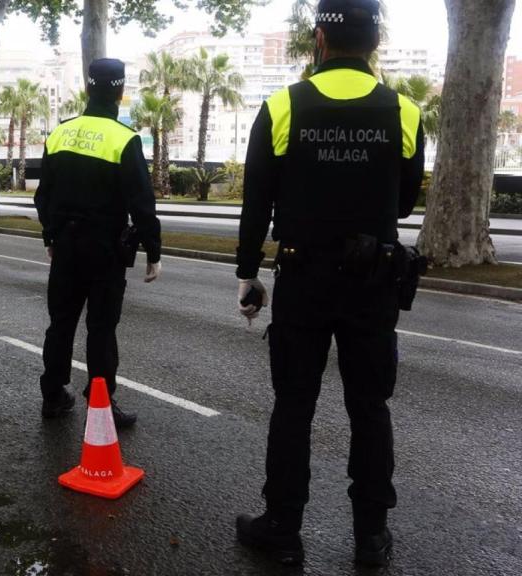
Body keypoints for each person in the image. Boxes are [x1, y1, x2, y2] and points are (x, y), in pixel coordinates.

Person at [233, 0, 426, 568]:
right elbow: (404, 199)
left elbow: (255, 203)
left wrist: (248, 273)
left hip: (303, 281)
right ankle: (371, 535)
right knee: (370, 407)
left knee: (293, 404)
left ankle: (283, 529)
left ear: (319, 37)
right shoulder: (404, 111)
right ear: (375, 41)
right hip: (373, 283)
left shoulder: (282, 105)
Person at [34, 58, 163, 429]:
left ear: (88, 89)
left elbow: (44, 197)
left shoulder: (60, 134)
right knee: (101, 329)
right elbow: (141, 203)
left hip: (66, 246)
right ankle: (101, 402)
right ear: (120, 93)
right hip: (105, 249)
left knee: (60, 324)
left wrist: (50, 236)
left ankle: (53, 396)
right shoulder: (125, 139)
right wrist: (153, 251)